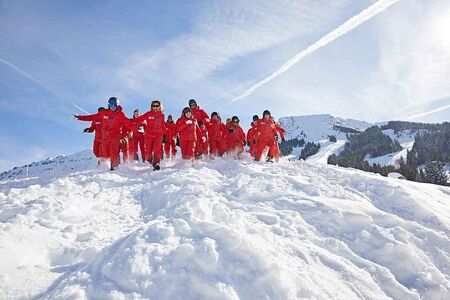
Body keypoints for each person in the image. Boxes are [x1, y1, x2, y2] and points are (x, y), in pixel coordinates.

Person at [74, 97, 132, 170]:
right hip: (105, 137)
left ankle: (114, 167)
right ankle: (105, 164)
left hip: (115, 135)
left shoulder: (121, 115)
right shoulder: (104, 113)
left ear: (117, 105)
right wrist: (79, 117)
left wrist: (135, 126)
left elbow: (128, 123)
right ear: (108, 105)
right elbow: (92, 117)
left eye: (115, 105)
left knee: (113, 151)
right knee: (105, 154)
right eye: (111, 105)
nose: (113, 107)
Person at [133, 100, 165, 170]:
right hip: (149, 135)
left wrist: (164, 135)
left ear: (160, 107)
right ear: (151, 106)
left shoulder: (162, 115)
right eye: (154, 106)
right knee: (148, 151)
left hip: (158, 135)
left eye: (157, 106)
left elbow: (163, 125)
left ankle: (156, 163)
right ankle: (150, 161)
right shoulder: (148, 114)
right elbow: (140, 119)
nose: (155, 107)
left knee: (157, 149)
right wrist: (131, 121)